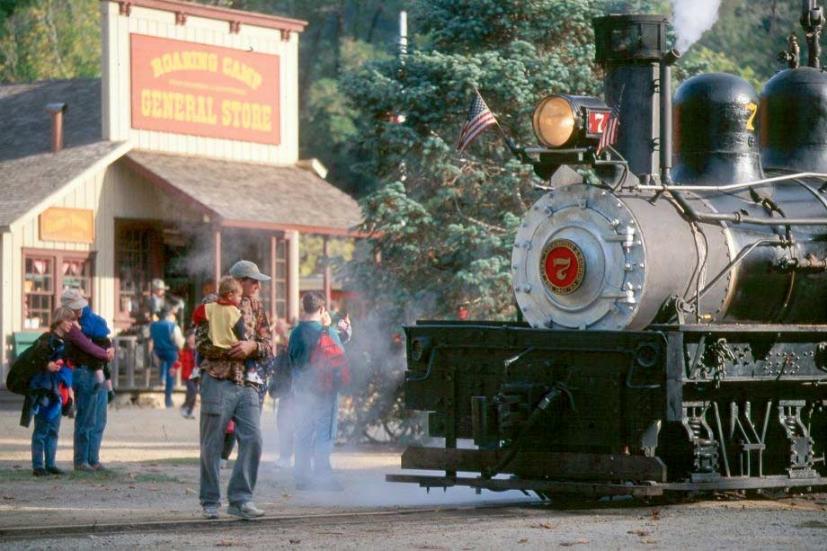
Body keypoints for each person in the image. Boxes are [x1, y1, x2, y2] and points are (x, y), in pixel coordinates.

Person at [196, 260, 272, 520]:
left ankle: (241, 499)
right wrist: (230, 350)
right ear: (238, 282)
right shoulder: (211, 304)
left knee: (253, 439)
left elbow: (268, 344)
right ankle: (210, 501)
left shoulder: (257, 306)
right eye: (253, 281)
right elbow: (200, 343)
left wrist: (252, 347)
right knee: (211, 443)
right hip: (217, 379)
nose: (258, 286)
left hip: (248, 382)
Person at [289, 292, 350, 491]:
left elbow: (292, 359)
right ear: (323, 309)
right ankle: (323, 476)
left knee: (304, 431)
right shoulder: (329, 333)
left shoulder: (296, 332)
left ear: (303, 307)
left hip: (302, 389)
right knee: (325, 433)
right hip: (325, 391)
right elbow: (337, 359)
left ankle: (301, 477)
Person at [60, 289, 115, 472]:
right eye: (75, 308)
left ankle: (93, 459)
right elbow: (88, 347)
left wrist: (110, 348)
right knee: (86, 418)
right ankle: (81, 460)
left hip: (98, 370)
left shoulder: (91, 321)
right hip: (84, 371)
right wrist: (106, 353)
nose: (79, 311)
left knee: (100, 418)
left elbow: (103, 341)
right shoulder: (70, 326)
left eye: (80, 306)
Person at [28, 307, 77, 476]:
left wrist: (70, 393)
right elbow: (34, 359)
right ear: (59, 321)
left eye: (73, 320)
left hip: (60, 393)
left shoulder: (67, 343)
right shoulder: (46, 339)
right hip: (45, 391)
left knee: (54, 430)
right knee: (41, 429)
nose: (72, 323)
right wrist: (47, 365)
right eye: (68, 320)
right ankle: (38, 466)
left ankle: (50, 464)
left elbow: (69, 369)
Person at [150, 306, 185, 408]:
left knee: (162, 363)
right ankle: (168, 399)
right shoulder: (172, 326)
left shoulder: (153, 325)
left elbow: (151, 338)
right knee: (171, 373)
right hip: (170, 351)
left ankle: (162, 379)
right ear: (168, 315)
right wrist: (180, 348)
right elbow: (179, 341)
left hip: (157, 351)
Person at [179, 331, 197, 419]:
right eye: (191, 338)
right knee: (192, 392)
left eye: (194, 338)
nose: (192, 340)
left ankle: (188, 410)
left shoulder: (198, 350)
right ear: (187, 339)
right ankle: (186, 408)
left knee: (192, 393)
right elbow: (179, 360)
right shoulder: (185, 350)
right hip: (188, 375)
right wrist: (174, 368)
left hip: (196, 375)